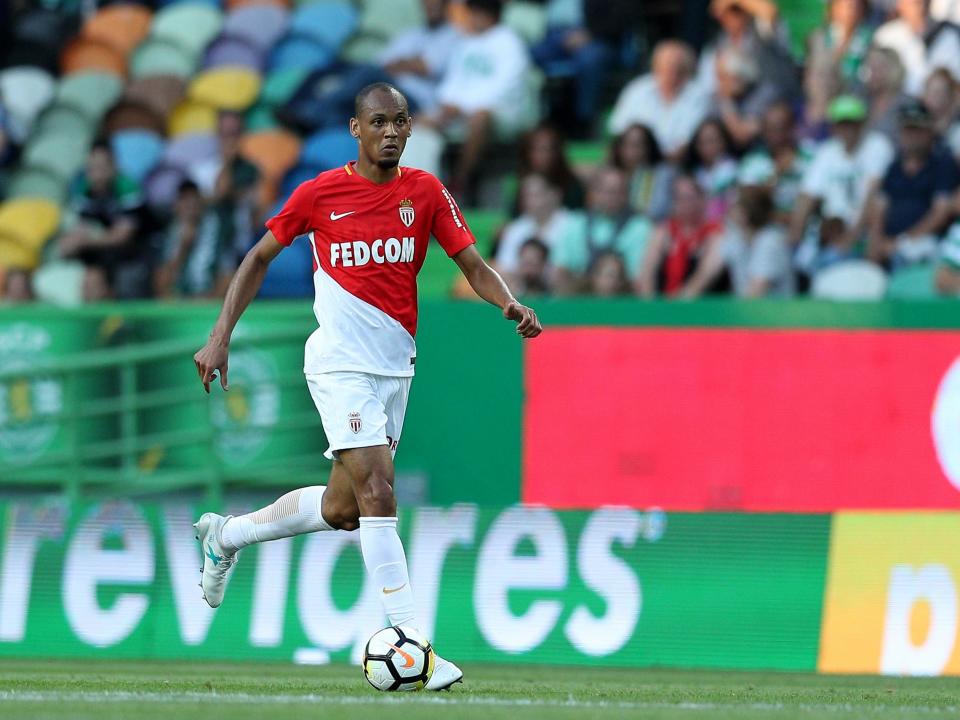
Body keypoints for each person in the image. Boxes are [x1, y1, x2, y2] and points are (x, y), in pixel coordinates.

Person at [191, 82, 541, 692]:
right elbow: (257, 258)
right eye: (378, 121)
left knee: (343, 509)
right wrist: (221, 335)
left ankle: (228, 535)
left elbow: (471, 264)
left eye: (400, 122)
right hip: (337, 364)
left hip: (394, 369)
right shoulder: (321, 192)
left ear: (410, 129)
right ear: (356, 129)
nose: (391, 132)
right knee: (379, 489)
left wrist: (507, 303)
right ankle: (416, 647)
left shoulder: (426, 192)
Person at [431, 0, 534, 195]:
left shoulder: (510, 42)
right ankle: (416, 186)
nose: (471, 17)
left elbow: (505, 86)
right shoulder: (467, 43)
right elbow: (452, 82)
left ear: (490, 14)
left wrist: (463, 107)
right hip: (461, 110)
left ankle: (459, 181)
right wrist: (448, 103)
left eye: (475, 12)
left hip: (502, 112)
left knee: (480, 117)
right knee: (418, 121)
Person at [789, 95, 894, 256]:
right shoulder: (827, 151)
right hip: (829, 232)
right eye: (842, 124)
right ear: (833, 127)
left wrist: (850, 239)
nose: (847, 129)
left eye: (852, 123)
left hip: (862, 234)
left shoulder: (878, 145)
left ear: (862, 124)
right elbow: (807, 196)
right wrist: (795, 235)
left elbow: (872, 196)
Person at [866, 99, 958, 267]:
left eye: (917, 130)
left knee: (906, 255)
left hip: (926, 241)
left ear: (929, 131)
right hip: (890, 240)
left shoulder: (942, 163)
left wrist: (902, 241)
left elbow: (940, 214)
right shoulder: (894, 166)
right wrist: (877, 240)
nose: (912, 136)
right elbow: (880, 208)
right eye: (907, 130)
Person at [58, 140, 146, 300]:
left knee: (127, 278)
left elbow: (123, 236)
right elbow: (78, 229)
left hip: (130, 255)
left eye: (102, 168)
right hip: (98, 254)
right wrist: (69, 245)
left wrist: (86, 241)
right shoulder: (81, 189)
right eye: (92, 169)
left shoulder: (128, 188)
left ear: (114, 167)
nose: (97, 175)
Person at [551, 165, 651, 293]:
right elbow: (560, 269)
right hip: (579, 296)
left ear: (626, 195)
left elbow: (637, 278)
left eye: (618, 192)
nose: (612, 197)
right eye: (606, 191)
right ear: (594, 193)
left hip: (621, 297)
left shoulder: (640, 227)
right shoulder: (575, 223)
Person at [607, 40, 711, 158]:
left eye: (677, 68)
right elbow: (618, 130)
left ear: (686, 70)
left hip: (682, 165)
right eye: (665, 67)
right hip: (637, 161)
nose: (671, 73)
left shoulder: (698, 95)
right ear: (655, 66)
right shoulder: (637, 89)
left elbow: (689, 142)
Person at [635, 174, 725, 298]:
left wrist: (678, 307)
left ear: (702, 199)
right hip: (659, 309)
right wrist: (650, 307)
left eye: (689, 198)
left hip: (697, 309)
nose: (684, 203)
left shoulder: (715, 234)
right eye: (679, 198)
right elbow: (646, 274)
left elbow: (705, 275)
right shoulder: (662, 231)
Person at [154, 180, 243, 298]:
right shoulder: (170, 233)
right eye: (185, 200)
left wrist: (210, 302)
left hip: (208, 302)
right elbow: (160, 285)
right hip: (178, 302)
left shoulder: (218, 229)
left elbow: (228, 274)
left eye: (194, 199)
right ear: (176, 205)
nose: (191, 205)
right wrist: (183, 247)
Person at [697, 0, 799, 101]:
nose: (730, 18)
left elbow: (769, 12)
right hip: (730, 104)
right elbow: (708, 87)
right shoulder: (717, 42)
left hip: (770, 95)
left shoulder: (761, 31)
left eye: (737, 11)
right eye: (728, 13)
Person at [721, 171, 795, 297]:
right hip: (747, 313)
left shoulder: (770, 241)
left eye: (733, 207)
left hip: (773, 315)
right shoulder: (736, 237)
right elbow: (706, 273)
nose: (727, 211)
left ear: (744, 215)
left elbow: (754, 294)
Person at [739, 102, 813, 224]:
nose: (777, 136)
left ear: (793, 128)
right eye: (770, 129)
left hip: (805, 225)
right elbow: (748, 201)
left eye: (782, 128)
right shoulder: (753, 161)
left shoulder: (810, 157)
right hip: (766, 225)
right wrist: (777, 175)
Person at [804, 0, 873, 128]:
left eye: (856, 6)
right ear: (833, 8)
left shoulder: (870, 40)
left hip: (856, 104)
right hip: (822, 105)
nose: (851, 11)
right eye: (846, 5)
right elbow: (813, 76)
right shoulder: (817, 37)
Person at [873, 0, 960, 97]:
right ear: (900, 5)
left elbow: (954, 81)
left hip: (932, 107)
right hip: (893, 105)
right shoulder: (886, 35)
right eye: (914, 2)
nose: (921, 6)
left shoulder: (948, 37)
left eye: (924, 1)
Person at [494, 173, 570, 274]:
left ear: (553, 194)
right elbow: (504, 268)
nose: (531, 201)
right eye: (526, 196)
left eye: (536, 194)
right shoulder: (514, 229)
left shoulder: (572, 225)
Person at [713, 44, 783, 150]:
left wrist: (726, 101)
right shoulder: (724, 97)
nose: (719, 83)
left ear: (737, 77)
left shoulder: (766, 94)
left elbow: (742, 136)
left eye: (722, 77)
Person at [513, 124, 585, 214]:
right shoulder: (523, 184)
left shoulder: (573, 187)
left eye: (549, 149)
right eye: (538, 149)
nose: (544, 155)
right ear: (527, 153)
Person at [609, 123, 675, 222]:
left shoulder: (662, 174)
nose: (631, 151)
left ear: (649, 148)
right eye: (626, 144)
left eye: (637, 145)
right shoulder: (610, 174)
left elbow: (656, 212)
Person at [684, 118, 739, 223]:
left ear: (724, 142)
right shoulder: (694, 173)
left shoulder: (733, 170)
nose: (707, 147)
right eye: (702, 142)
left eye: (712, 141)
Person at [861, 46, 910, 143]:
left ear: (894, 70)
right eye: (869, 67)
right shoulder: (862, 99)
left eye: (878, 68)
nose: (872, 73)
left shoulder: (906, 104)